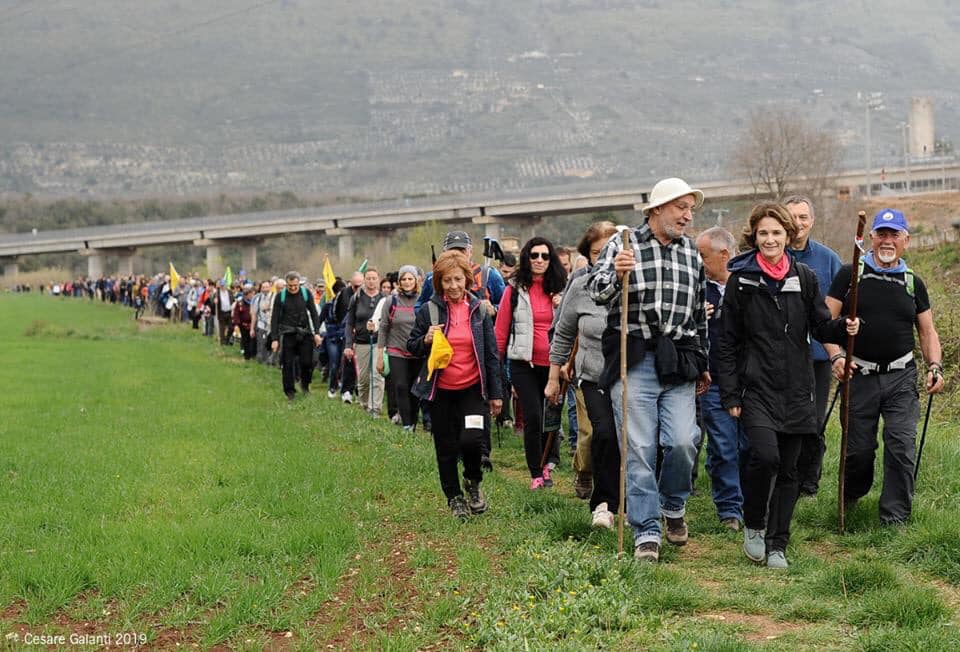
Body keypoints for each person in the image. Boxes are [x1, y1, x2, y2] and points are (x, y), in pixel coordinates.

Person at [717, 203, 859, 569]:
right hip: (756, 387)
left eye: (776, 232)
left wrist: (845, 327)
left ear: (787, 235)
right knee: (765, 457)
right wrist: (731, 392)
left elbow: (820, 326)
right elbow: (727, 341)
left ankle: (778, 543)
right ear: (755, 236)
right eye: (763, 233)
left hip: (797, 388)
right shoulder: (742, 280)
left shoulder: (805, 277)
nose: (770, 239)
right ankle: (754, 523)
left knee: (791, 470)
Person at [588, 177, 710, 563]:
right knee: (638, 447)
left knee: (682, 441)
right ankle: (647, 530)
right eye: (681, 208)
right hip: (636, 357)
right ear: (657, 209)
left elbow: (698, 314)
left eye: (691, 209)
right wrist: (616, 274)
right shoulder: (624, 244)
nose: (688, 216)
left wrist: (702, 362)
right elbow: (596, 290)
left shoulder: (692, 253)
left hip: (679, 359)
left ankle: (673, 505)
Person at [825, 208, 944, 525]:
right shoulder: (850, 276)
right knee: (858, 452)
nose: (887, 241)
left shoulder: (912, 283)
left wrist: (935, 366)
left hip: (901, 378)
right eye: (882, 234)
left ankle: (895, 519)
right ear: (871, 238)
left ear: (906, 240)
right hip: (858, 376)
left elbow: (928, 331)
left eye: (894, 235)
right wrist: (836, 356)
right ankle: (852, 494)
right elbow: (825, 321)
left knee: (902, 445)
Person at [407, 251, 502, 519]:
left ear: (467, 280)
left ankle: (473, 482)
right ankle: (454, 498)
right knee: (446, 447)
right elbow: (411, 346)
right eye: (447, 280)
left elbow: (491, 355)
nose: (453, 286)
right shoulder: (430, 311)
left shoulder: (479, 310)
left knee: (472, 441)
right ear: (439, 282)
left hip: (472, 389)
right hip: (441, 392)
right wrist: (425, 339)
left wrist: (496, 394)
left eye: (458, 279)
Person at [547, 220, 621, 528]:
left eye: (610, 251)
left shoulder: (638, 283)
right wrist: (553, 377)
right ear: (588, 256)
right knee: (604, 433)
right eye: (596, 252)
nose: (603, 258)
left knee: (633, 440)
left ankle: (635, 503)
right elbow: (563, 333)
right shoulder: (579, 287)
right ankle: (604, 503)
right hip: (594, 375)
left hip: (633, 374)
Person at [495, 236, 567, 490]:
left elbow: (572, 326)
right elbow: (501, 330)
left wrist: (562, 305)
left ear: (551, 260)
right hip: (523, 364)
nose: (539, 260)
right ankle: (535, 471)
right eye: (534, 255)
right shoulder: (513, 289)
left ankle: (548, 464)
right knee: (534, 417)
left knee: (550, 418)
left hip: (554, 366)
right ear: (527, 258)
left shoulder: (561, 289)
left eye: (545, 256)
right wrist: (496, 369)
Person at [785, 195, 843, 496]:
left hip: (819, 355)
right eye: (792, 216)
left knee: (815, 419)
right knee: (787, 418)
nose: (798, 223)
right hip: (780, 357)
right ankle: (787, 478)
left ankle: (810, 481)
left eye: (803, 217)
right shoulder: (772, 255)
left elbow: (840, 309)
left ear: (812, 221)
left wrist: (839, 353)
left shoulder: (828, 259)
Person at [695, 226, 747, 531]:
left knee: (748, 446)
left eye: (703, 255)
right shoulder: (698, 290)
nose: (699, 262)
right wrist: (694, 316)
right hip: (713, 381)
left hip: (749, 381)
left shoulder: (749, 285)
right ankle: (730, 510)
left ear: (724, 254)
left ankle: (750, 499)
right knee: (725, 444)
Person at [377, 265, 423, 432]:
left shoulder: (422, 300)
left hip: (417, 351)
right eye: (403, 279)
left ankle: (413, 421)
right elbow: (383, 327)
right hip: (396, 350)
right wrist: (380, 355)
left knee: (415, 389)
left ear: (416, 280)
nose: (407, 282)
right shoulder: (392, 301)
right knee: (401, 386)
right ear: (399, 282)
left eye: (410, 278)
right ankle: (406, 425)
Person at [270, 271, 322, 400]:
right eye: (290, 286)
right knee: (287, 364)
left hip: (304, 333)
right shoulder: (280, 297)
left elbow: (314, 314)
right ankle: (290, 391)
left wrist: (316, 332)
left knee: (307, 362)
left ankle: (305, 384)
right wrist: (275, 339)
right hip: (288, 334)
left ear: (299, 283)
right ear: (286, 284)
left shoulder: (305, 294)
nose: (293, 288)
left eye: (295, 285)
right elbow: (274, 319)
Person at [344, 268, 386, 416]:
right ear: (364, 280)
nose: (371, 281)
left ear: (379, 279)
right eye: (368, 278)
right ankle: (364, 405)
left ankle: (375, 409)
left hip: (380, 342)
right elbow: (349, 323)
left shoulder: (384, 299)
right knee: (364, 379)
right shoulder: (356, 298)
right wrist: (348, 345)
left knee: (377, 376)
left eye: (374, 278)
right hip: (361, 342)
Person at [334, 272, 363, 403]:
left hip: (364, 334)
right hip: (348, 332)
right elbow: (336, 312)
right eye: (355, 286)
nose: (357, 289)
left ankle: (361, 392)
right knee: (348, 362)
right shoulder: (343, 294)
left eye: (360, 286)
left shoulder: (370, 295)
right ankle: (347, 391)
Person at [321, 278, 346, 398]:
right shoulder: (328, 306)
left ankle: (346, 388)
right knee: (334, 363)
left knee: (345, 363)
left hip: (345, 336)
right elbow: (319, 320)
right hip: (332, 338)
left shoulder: (349, 305)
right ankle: (332, 387)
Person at [232, 285, 256, 360]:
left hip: (253, 325)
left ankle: (253, 355)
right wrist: (236, 324)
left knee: (253, 341)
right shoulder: (240, 303)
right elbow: (236, 314)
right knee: (245, 341)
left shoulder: (255, 302)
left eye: (252, 294)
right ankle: (247, 356)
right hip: (244, 325)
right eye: (250, 294)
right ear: (246, 294)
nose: (251, 295)